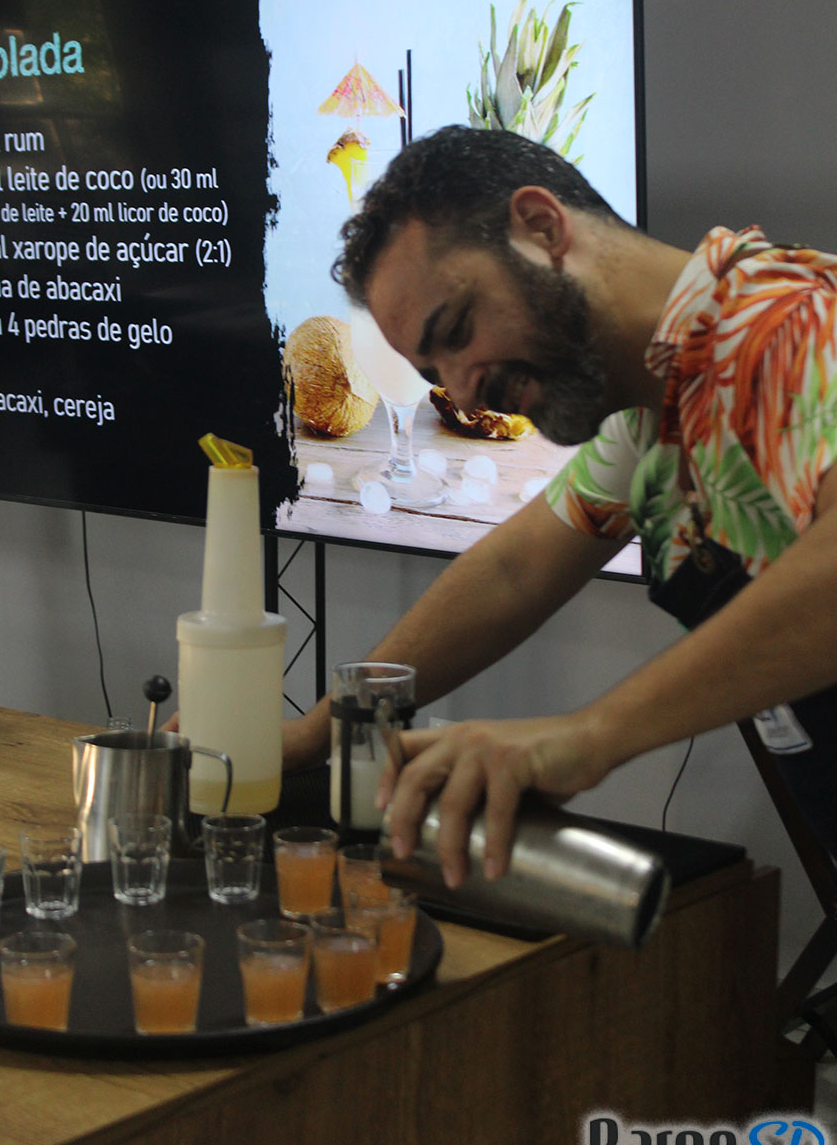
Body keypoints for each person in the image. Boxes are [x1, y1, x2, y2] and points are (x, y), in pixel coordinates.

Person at [283, 123, 837, 888]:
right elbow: (512, 572)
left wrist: (586, 737)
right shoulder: (656, 413)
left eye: (457, 331)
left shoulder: (789, 324)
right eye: (434, 370)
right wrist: (311, 736)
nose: (462, 389)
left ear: (542, 227)